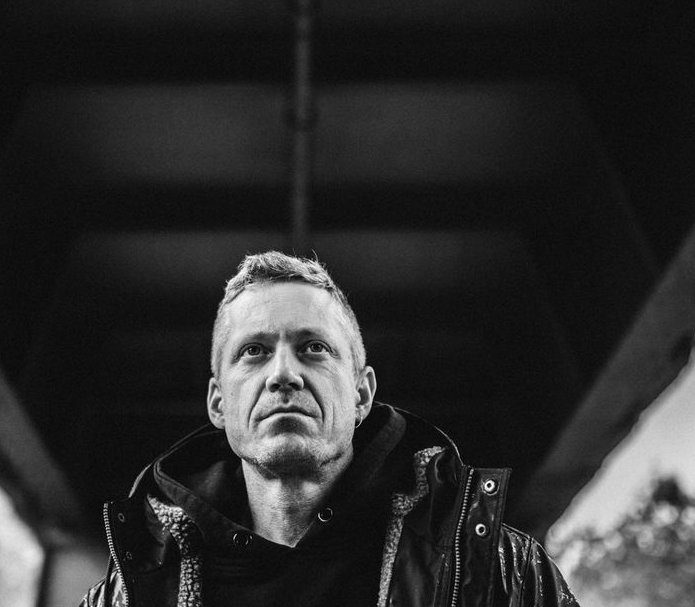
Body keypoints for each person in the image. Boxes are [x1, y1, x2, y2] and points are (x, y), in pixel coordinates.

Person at [81, 251, 579, 607]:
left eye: (313, 348)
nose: (283, 374)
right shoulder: (127, 595)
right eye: (254, 351)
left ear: (362, 393)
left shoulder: (500, 571)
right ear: (218, 403)